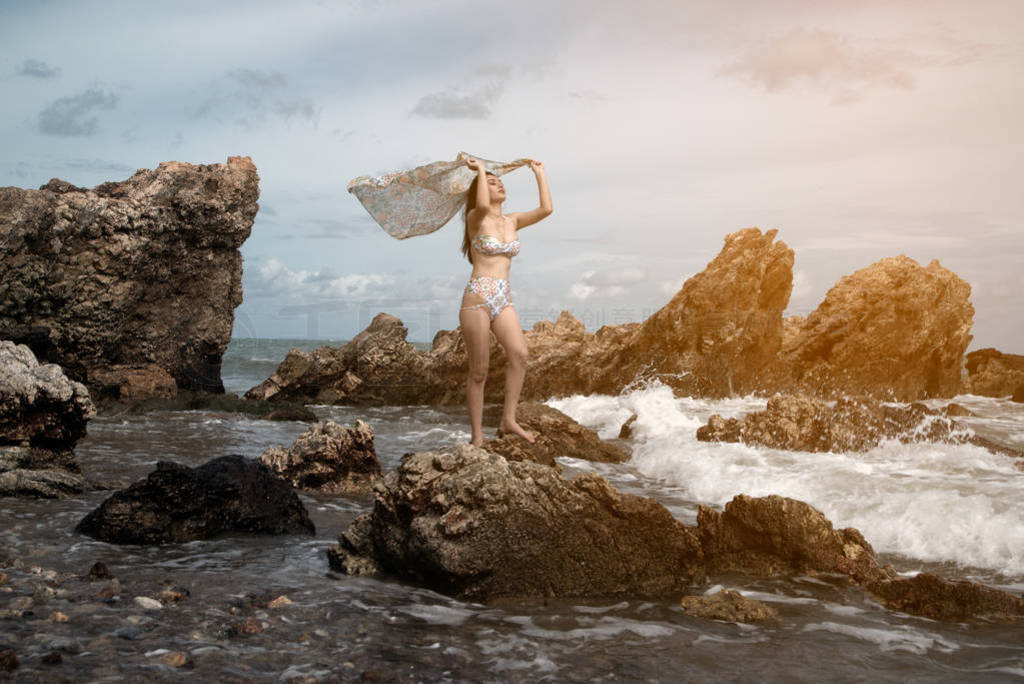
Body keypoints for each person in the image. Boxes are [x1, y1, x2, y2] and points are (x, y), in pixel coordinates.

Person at [459, 156, 552, 446]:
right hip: (477, 297)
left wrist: (539, 173)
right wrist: (481, 170)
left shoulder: (511, 221)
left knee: (520, 355)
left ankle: (508, 420)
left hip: (503, 298)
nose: (497, 183)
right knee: (479, 371)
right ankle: (477, 436)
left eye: (499, 181)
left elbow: (546, 209)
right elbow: (484, 204)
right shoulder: (476, 217)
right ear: (478, 191)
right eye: (490, 182)